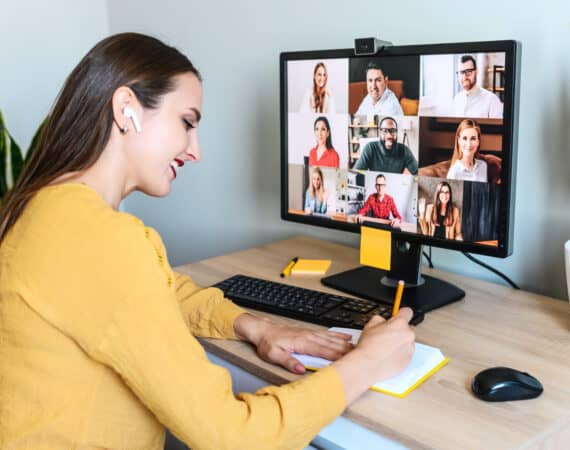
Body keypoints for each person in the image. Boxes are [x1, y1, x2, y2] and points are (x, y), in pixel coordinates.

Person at [0, 33, 416, 449]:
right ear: (127, 109)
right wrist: (368, 362)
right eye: (187, 122)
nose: (195, 151)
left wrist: (257, 326)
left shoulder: (49, 209)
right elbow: (234, 436)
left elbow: (160, 289)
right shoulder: (99, 238)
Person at [353, 116, 418, 174]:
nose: (389, 135)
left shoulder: (404, 150)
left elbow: (417, 172)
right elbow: (356, 173)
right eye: (384, 131)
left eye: (393, 131)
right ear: (380, 133)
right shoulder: (370, 148)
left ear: (397, 132)